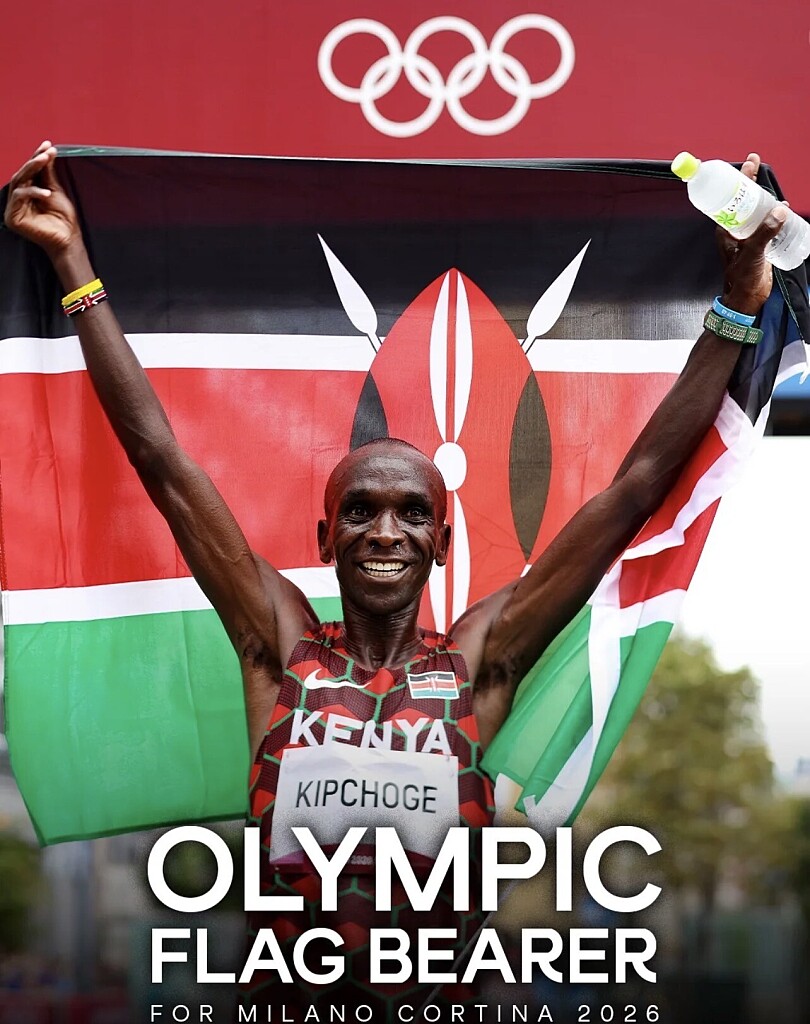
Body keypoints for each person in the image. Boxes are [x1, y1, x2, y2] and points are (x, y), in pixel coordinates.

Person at [4, 141, 787, 1019]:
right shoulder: (280, 648)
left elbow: (633, 489)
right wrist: (72, 265)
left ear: (442, 543)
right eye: (360, 511)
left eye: (413, 512)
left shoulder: (480, 664)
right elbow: (162, 461)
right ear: (324, 538)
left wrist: (738, 302)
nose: (385, 531)